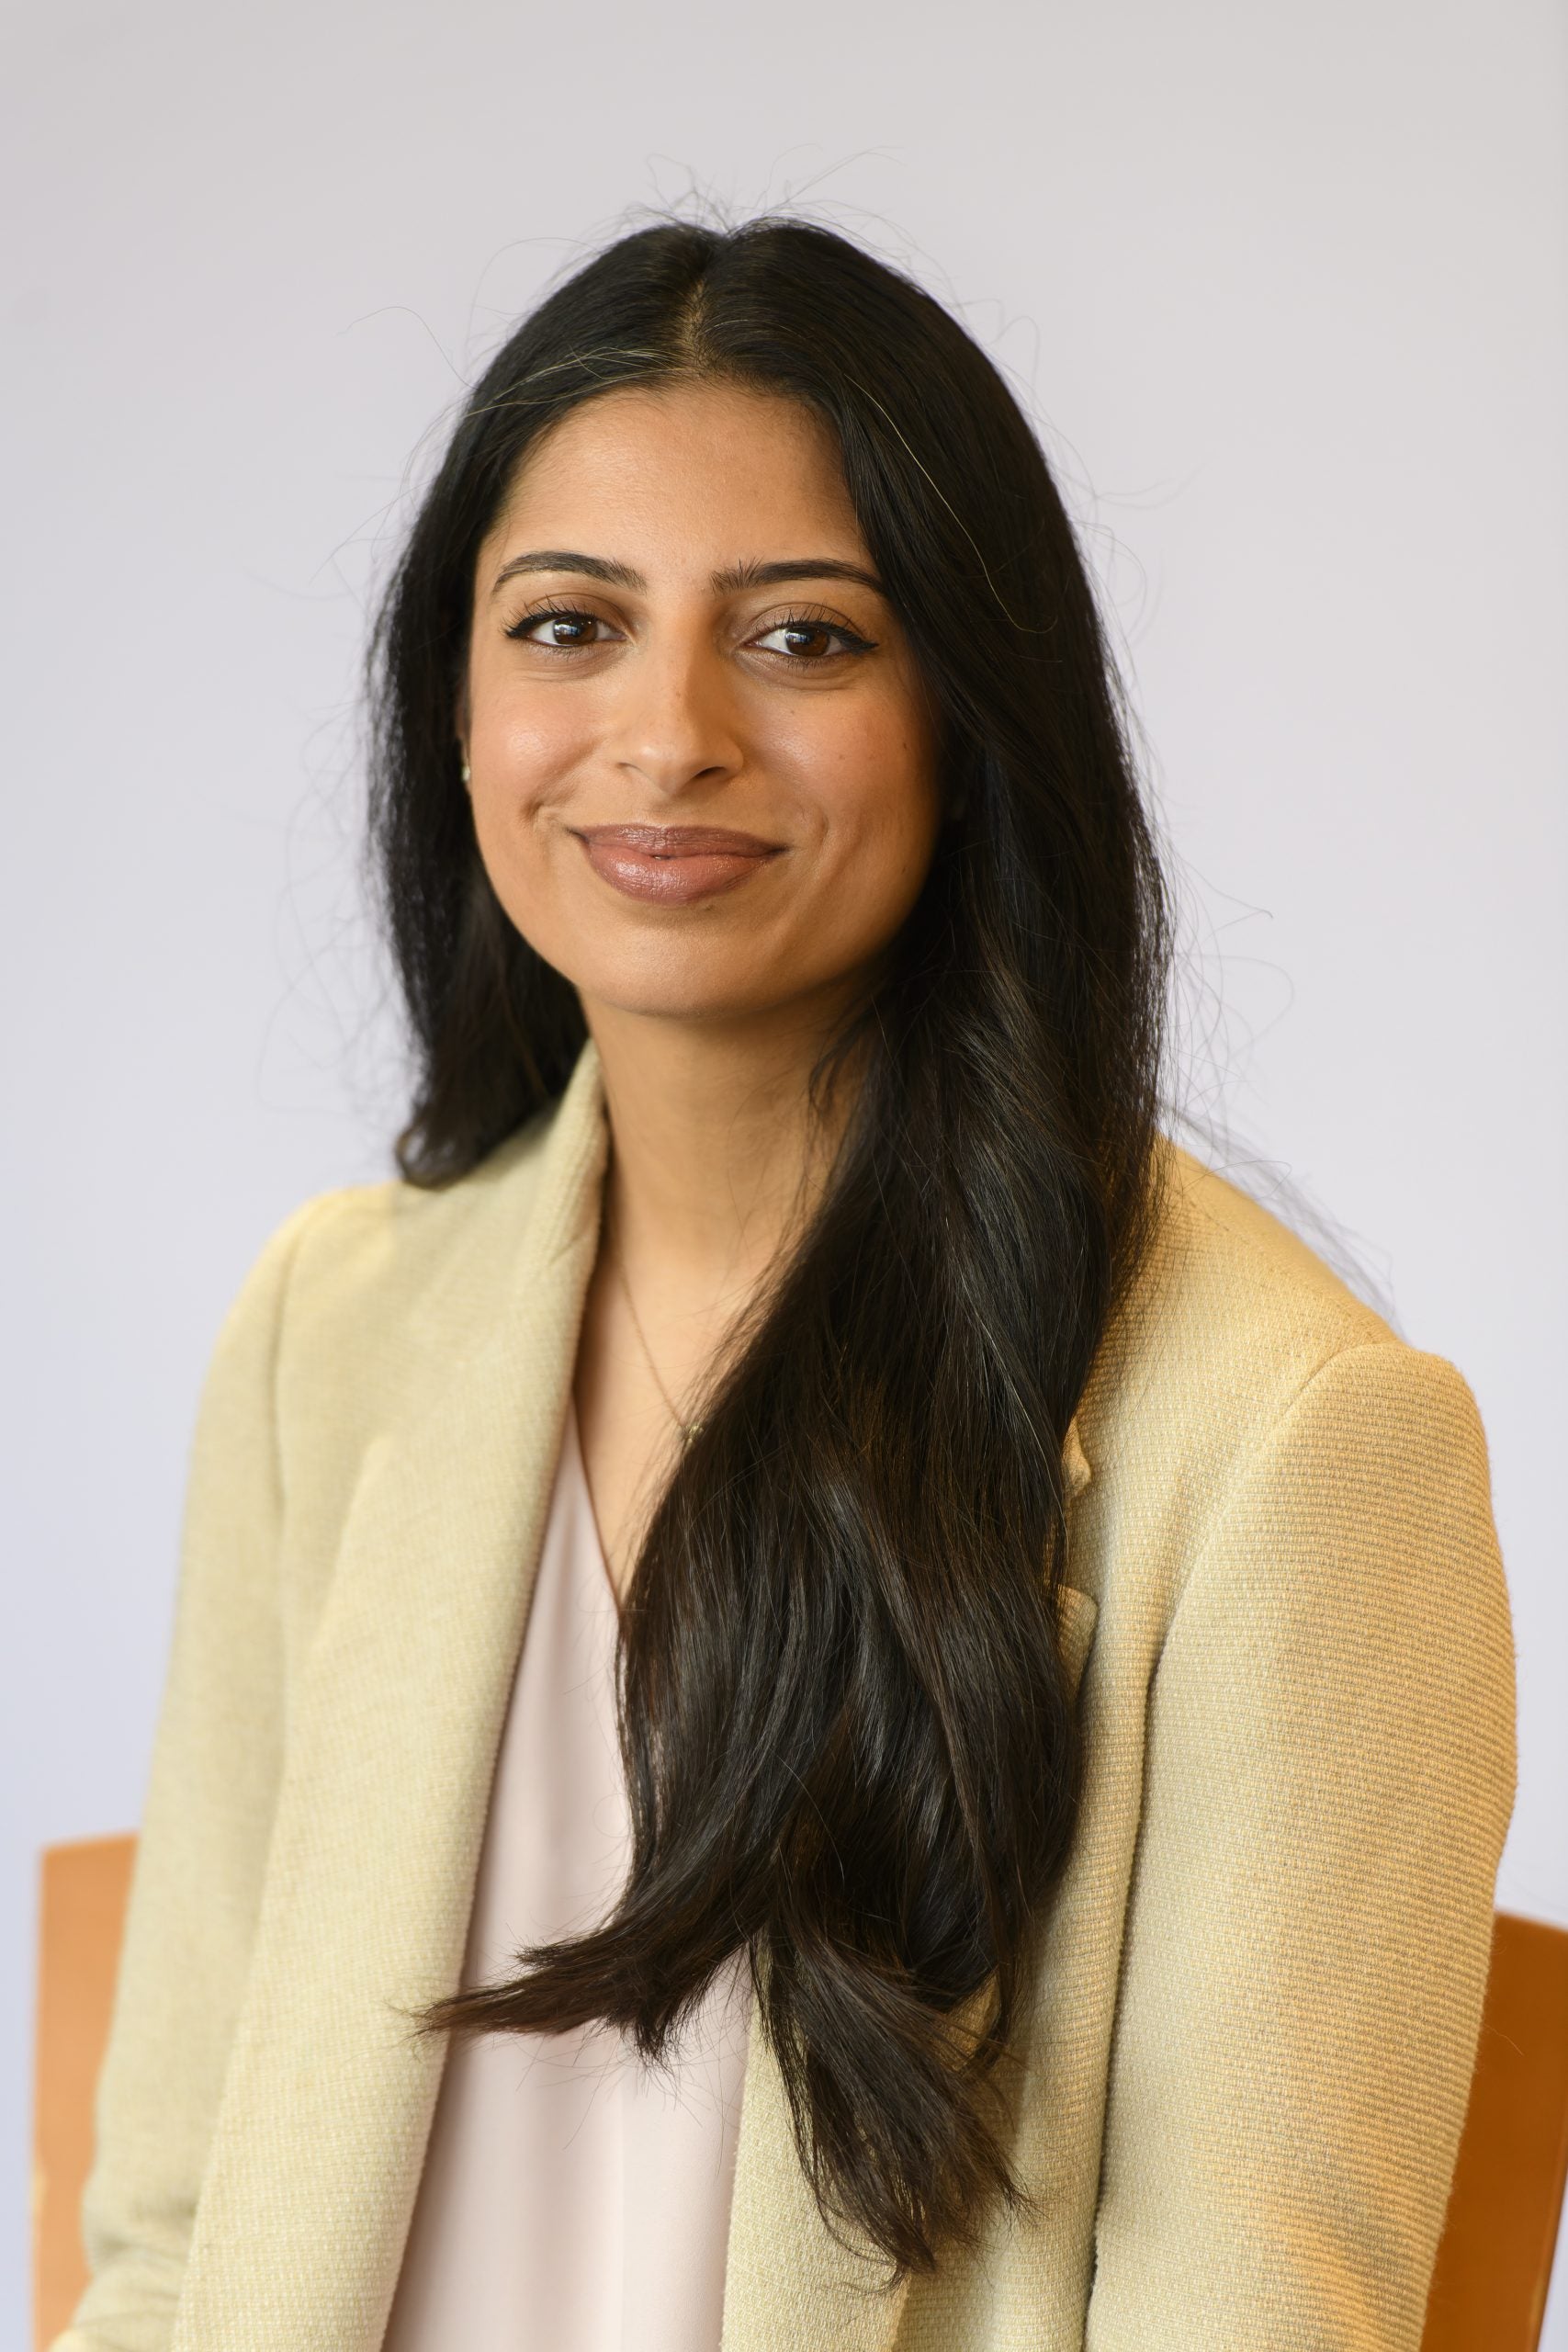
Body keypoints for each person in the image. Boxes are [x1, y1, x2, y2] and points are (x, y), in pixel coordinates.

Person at [55, 219, 1516, 2352]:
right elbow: (173, 2240)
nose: (663, 736)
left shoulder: (1292, 1438)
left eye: (804, 640)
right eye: (566, 624)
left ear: (966, 708)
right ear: (452, 715)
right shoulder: (332, 1331)